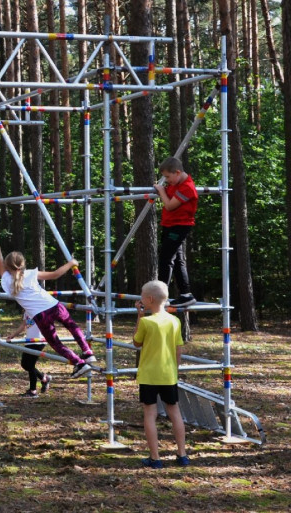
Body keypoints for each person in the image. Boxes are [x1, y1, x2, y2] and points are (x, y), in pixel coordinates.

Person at [0, 225, 95, 379]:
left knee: (55, 343)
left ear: (7, 266)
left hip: (41, 315)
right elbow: (54, 275)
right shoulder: (30, 274)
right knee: (72, 326)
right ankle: (87, 352)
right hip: (54, 305)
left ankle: (79, 363)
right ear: (22, 264)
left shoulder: (6, 280)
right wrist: (70, 263)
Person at [134, 280, 190, 468]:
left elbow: (136, 342)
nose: (141, 299)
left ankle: (155, 458)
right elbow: (178, 349)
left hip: (149, 375)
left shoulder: (147, 322)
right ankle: (182, 455)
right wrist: (175, 370)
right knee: (175, 412)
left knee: (150, 414)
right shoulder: (175, 321)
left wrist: (139, 316)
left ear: (149, 299)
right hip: (168, 374)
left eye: (142, 296)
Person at [153, 157, 199, 307]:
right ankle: (185, 294)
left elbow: (169, 206)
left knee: (166, 259)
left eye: (167, 176)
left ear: (177, 172)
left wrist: (161, 191)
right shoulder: (175, 184)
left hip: (179, 226)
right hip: (169, 225)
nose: (166, 180)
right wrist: (164, 190)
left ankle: (161, 294)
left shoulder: (187, 187)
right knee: (178, 260)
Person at [7, 312, 52, 397]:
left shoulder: (39, 309)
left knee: (30, 365)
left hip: (39, 341)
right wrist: (13, 335)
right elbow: (23, 325)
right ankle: (44, 378)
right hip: (29, 341)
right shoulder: (26, 311)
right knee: (25, 364)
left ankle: (33, 391)